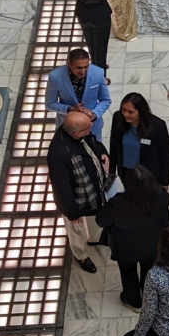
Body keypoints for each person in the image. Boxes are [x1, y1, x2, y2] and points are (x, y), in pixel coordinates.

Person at [96, 165, 169, 311]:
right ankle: (149, 298)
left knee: (128, 272)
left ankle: (133, 301)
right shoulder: (160, 197)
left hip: (125, 247)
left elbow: (101, 220)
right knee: (149, 271)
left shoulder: (118, 203)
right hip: (152, 245)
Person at [47, 110, 110, 274]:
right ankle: (81, 255)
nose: (91, 127)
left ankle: (95, 239)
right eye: (88, 127)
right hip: (76, 201)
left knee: (95, 218)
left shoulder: (79, 134)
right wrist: (72, 213)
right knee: (77, 230)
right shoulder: (58, 153)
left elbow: (94, 142)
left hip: (93, 191)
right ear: (77, 132)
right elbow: (61, 187)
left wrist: (102, 152)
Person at [108, 92, 169, 189]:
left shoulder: (157, 126)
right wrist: (111, 172)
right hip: (126, 173)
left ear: (141, 111)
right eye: (123, 110)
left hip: (148, 175)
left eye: (131, 112)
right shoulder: (118, 118)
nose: (126, 114)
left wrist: (164, 182)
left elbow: (164, 155)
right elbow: (114, 147)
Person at [47, 48, 111, 140]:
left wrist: (94, 114)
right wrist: (70, 109)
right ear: (69, 64)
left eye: (86, 67)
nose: (83, 72)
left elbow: (105, 100)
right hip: (68, 128)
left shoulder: (98, 73)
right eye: (79, 68)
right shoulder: (55, 77)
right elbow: (50, 104)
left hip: (92, 126)